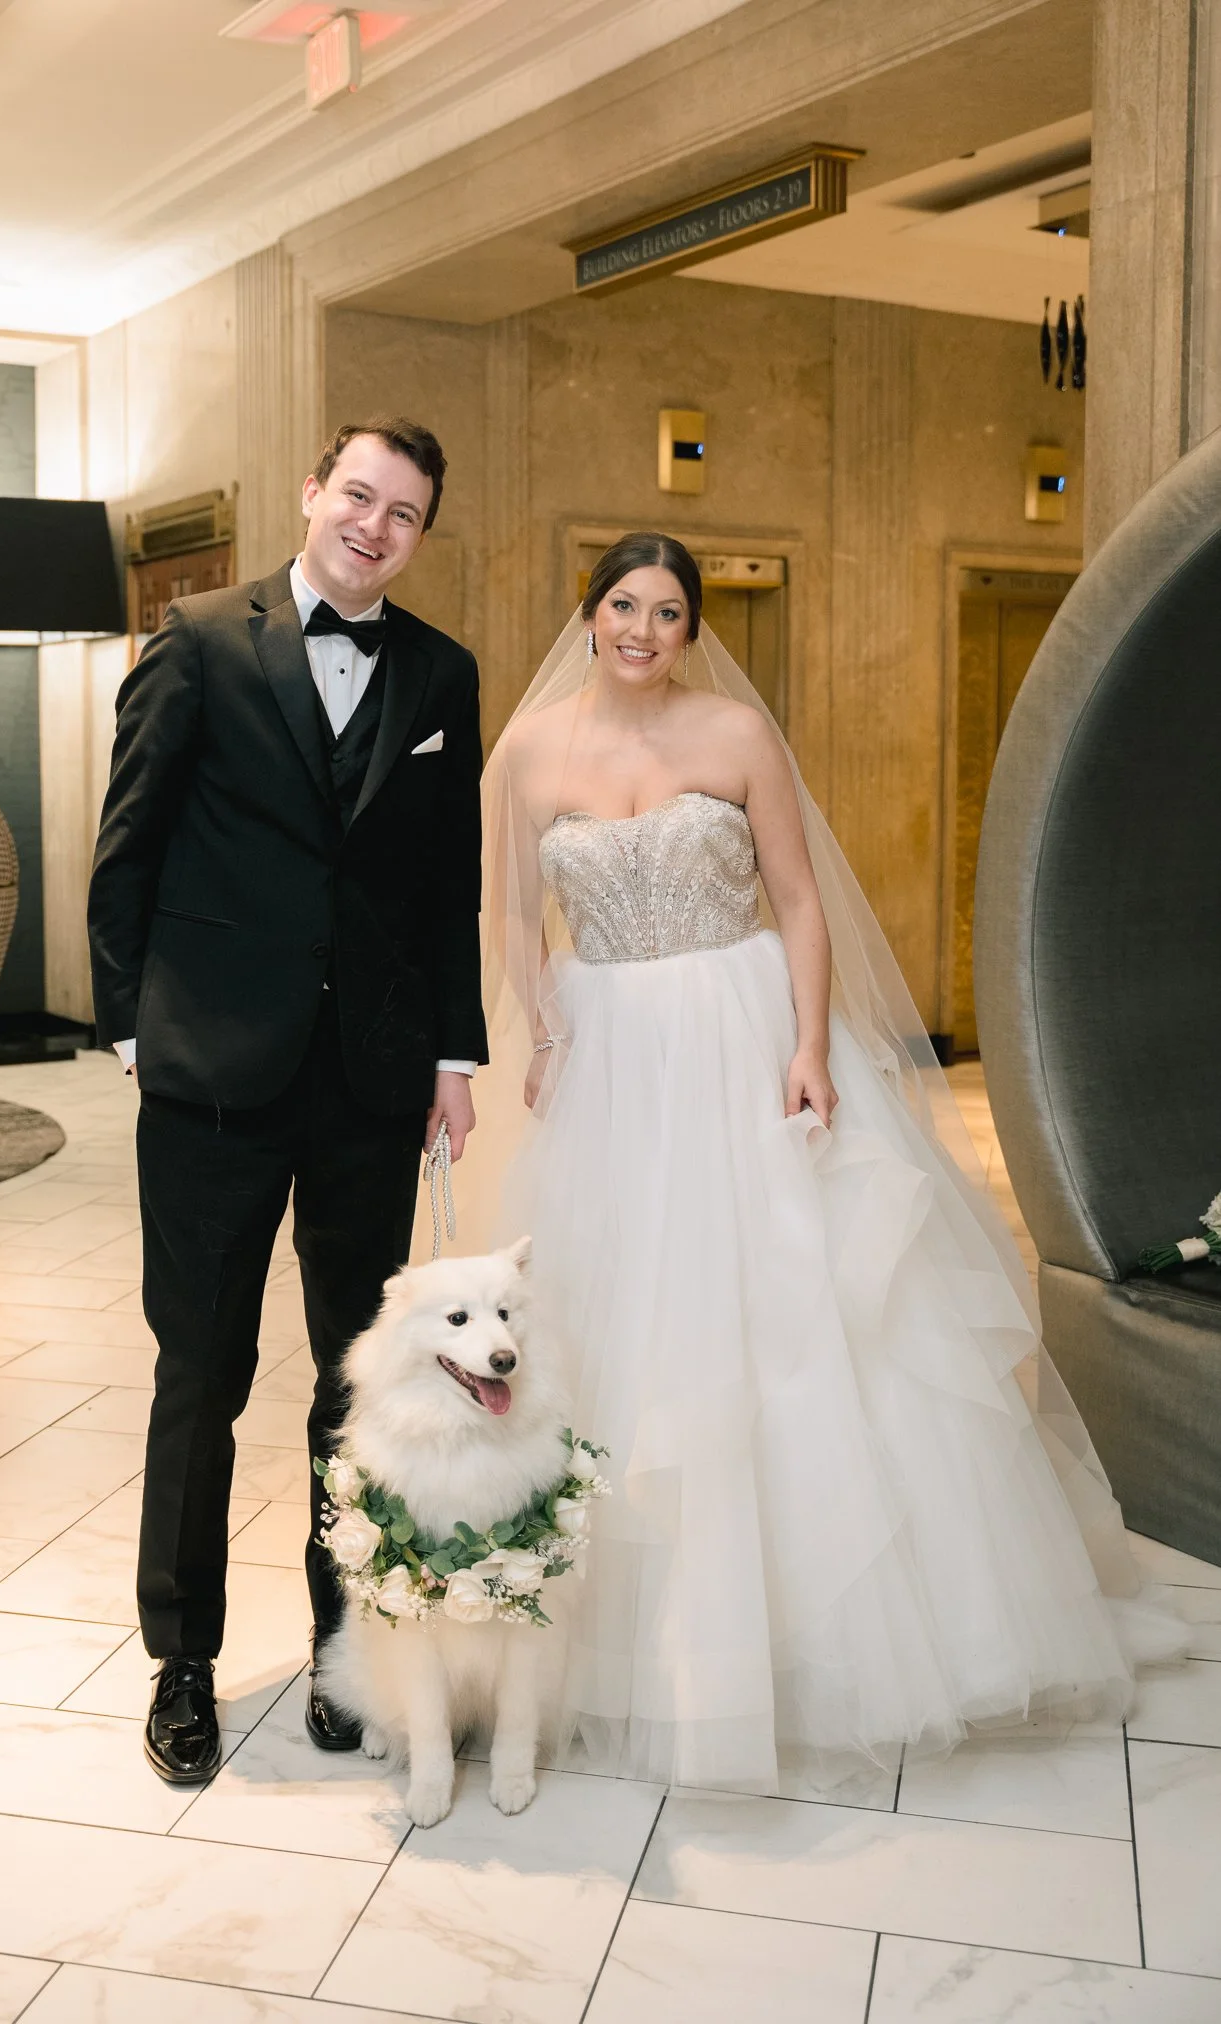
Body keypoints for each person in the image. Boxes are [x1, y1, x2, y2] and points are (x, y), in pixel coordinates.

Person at [474, 531, 1184, 1796]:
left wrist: (806, 1044)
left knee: (799, 1316)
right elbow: (506, 910)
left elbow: (798, 900)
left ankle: (839, 1642)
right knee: (629, 1321)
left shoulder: (735, 735)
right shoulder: (524, 752)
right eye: (623, 604)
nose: (642, 629)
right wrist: (544, 1026)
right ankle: (641, 1649)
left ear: (693, 630)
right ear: (587, 615)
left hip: (743, 1033)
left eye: (669, 611)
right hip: (611, 1051)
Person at [88, 417, 487, 1783]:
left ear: (420, 534)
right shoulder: (198, 639)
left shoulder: (441, 671)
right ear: (313, 492)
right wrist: (131, 1025)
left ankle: (342, 1650)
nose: (374, 526)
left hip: (369, 1080)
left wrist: (452, 1056)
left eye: (403, 513)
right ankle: (182, 1662)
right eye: (357, 496)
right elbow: (129, 843)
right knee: (200, 1372)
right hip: (208, 1072)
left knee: (354, 1378)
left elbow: (446, 885)